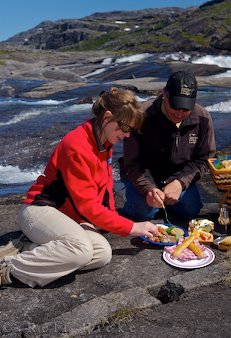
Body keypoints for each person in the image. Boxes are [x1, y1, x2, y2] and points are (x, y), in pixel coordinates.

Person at [0, 87, 157, 288]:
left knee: (102, 253)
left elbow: (105, 189)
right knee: (80, 250)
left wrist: (111, 220)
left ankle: (28, 248)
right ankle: (7, 269)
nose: (127, 136)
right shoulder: (77, 145)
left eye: (130, 131)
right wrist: (133, 227)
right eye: (125, 128)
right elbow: (88, 207)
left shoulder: (103, 141)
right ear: (108, 117)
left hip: (68, 216)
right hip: (40, 210)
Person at [122, 71, 216, 221]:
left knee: (190, 212)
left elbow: (205, 159)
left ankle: (168, 202)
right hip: (145, 175)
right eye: (175, 106)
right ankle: (130, 194)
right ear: (164, 94)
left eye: (185, 109)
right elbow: (132, 163)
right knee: (142, 214)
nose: (179, 114)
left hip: (180, 177)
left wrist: (180, 183)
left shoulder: (203, 118)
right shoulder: (141, 115)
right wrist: (149, 189)